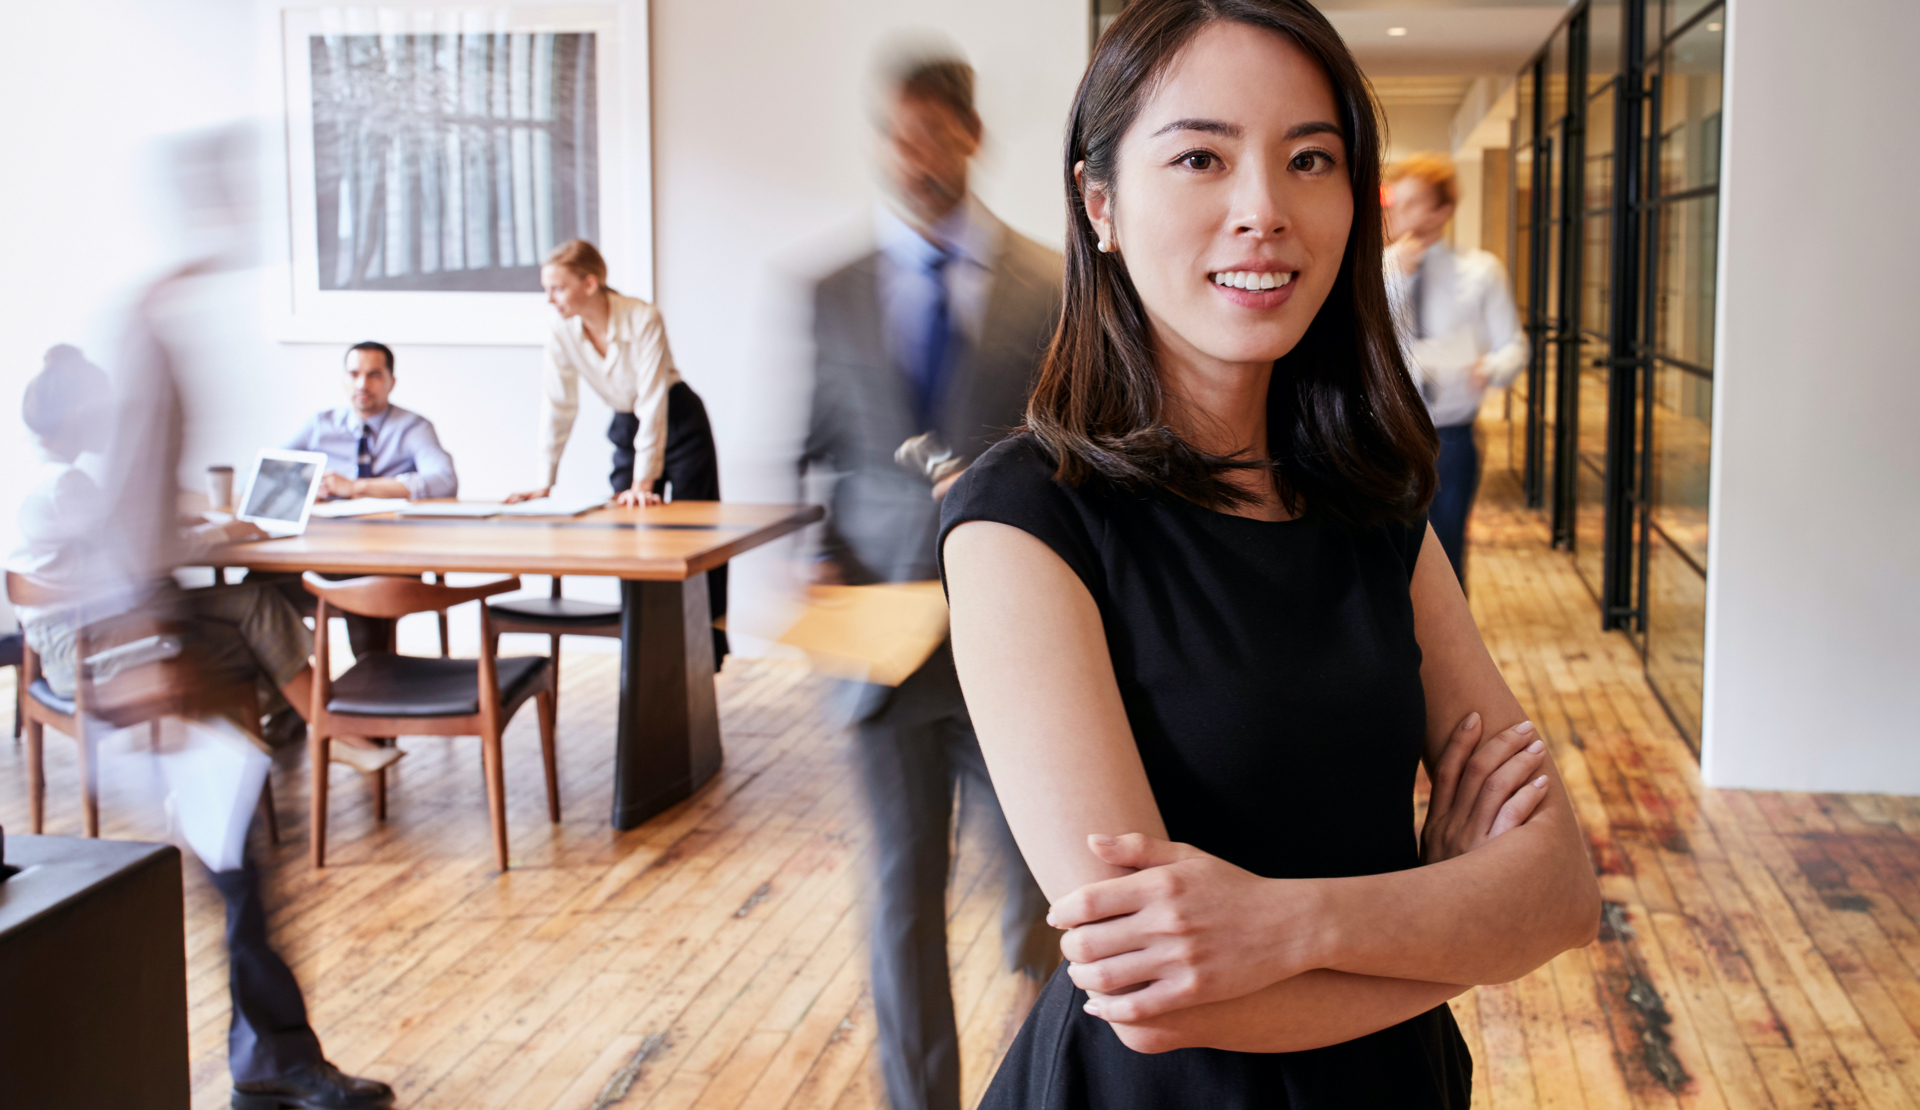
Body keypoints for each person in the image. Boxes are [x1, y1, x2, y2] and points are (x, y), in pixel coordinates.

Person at [938, 3, 1600, 1107]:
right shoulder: (1023, 517)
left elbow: (1563, 893)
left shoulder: (1375, 502)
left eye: (1310, 160)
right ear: (1100, 203)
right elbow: (1156, 998)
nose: (1265, 211)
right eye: (1200, 156)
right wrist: (1453, 915)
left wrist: (1284, 925)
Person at [9, 341, 394, 1110]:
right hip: (110, 657)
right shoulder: (66, 488)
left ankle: (269, 1055)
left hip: (139, 649)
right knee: (236, 868)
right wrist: (219, 535)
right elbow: (141, 560)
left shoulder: (72, 481)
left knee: (259, 622)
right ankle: (271, 1058)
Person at [801, 49, 1065, 1110]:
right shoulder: (828, 293)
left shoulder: (1051, 286)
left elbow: (1079, 452)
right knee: (901, 895)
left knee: (1045, 891)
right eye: (897, 136)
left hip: (1019, 643)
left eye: (932, 135)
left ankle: (1050, 1076)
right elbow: (811, 448)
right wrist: (818, 565)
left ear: (971, 136)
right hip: (875, 646)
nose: (913, 157)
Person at [507, 239, 727, 663]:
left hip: (677, 418)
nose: (549, 299)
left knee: (696, 538)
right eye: (546, 289)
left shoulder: (643, 317)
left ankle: (705, 652)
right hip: (627, 425)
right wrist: (544, 480)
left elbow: (652, 402)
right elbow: (558, 405)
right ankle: (645, 647)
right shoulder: (561, 329)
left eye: (558, 288)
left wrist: (644, 481)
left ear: (590, 283)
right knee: (629, 537)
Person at [1384, 152, 1527, 587]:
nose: (1400, 214)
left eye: (1414, 203)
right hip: (1386, 436)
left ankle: (1447, 654)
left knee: (1445, 557)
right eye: (1397, 204)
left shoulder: (1480, 271)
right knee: (1384, 555)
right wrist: (1394, 278)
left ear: (1443, 210)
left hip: (1451, 438)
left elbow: (1514, 346)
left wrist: (1492, 367)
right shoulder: (1374, 269)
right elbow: (1360, 340)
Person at [283, 340, 459, 503]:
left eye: (374, 375)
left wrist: (355, 487)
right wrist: (305, 485)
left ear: (392, 382)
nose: (361, 384)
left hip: (391, 528)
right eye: (353, 374)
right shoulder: (320, 424)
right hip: (328, 527)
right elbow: (268, 473)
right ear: (344, 379)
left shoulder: (414, 426)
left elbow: (445, 480)